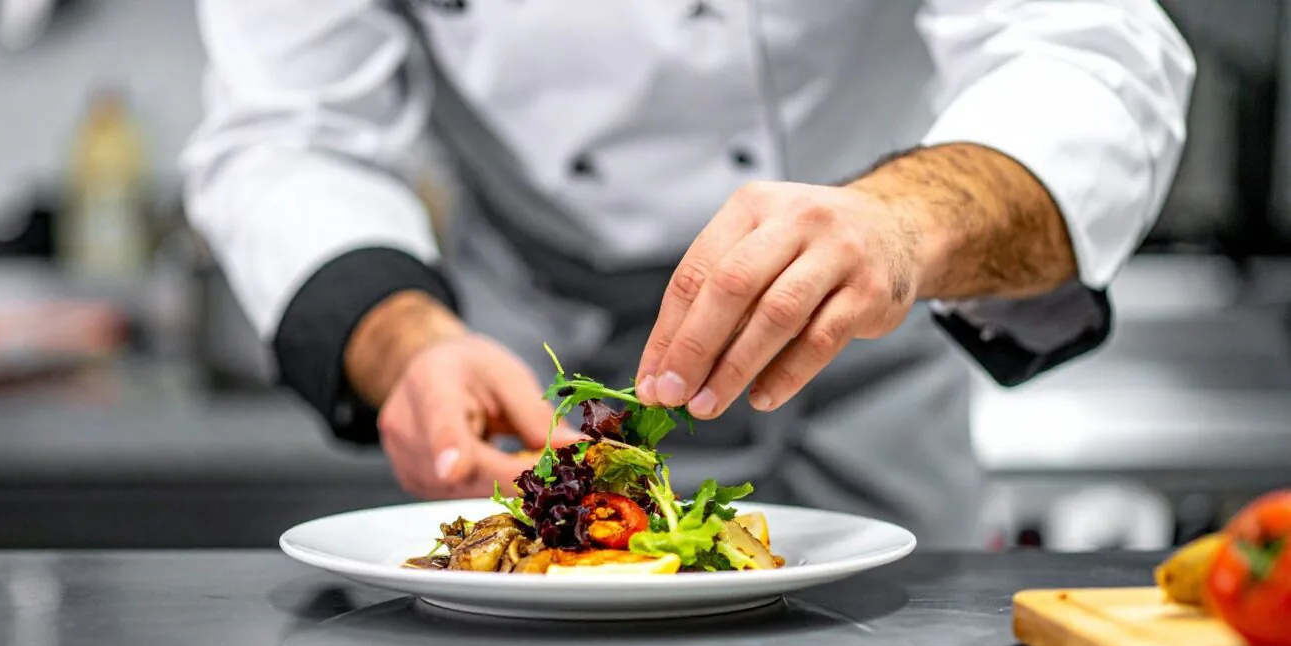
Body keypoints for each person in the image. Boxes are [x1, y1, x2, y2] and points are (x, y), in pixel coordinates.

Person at [181, 0, 1194, 548]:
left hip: (863, 346)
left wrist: (899, 221)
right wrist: (406, 343)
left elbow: (1094, 53)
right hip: (524, 368)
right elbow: (288, 133)